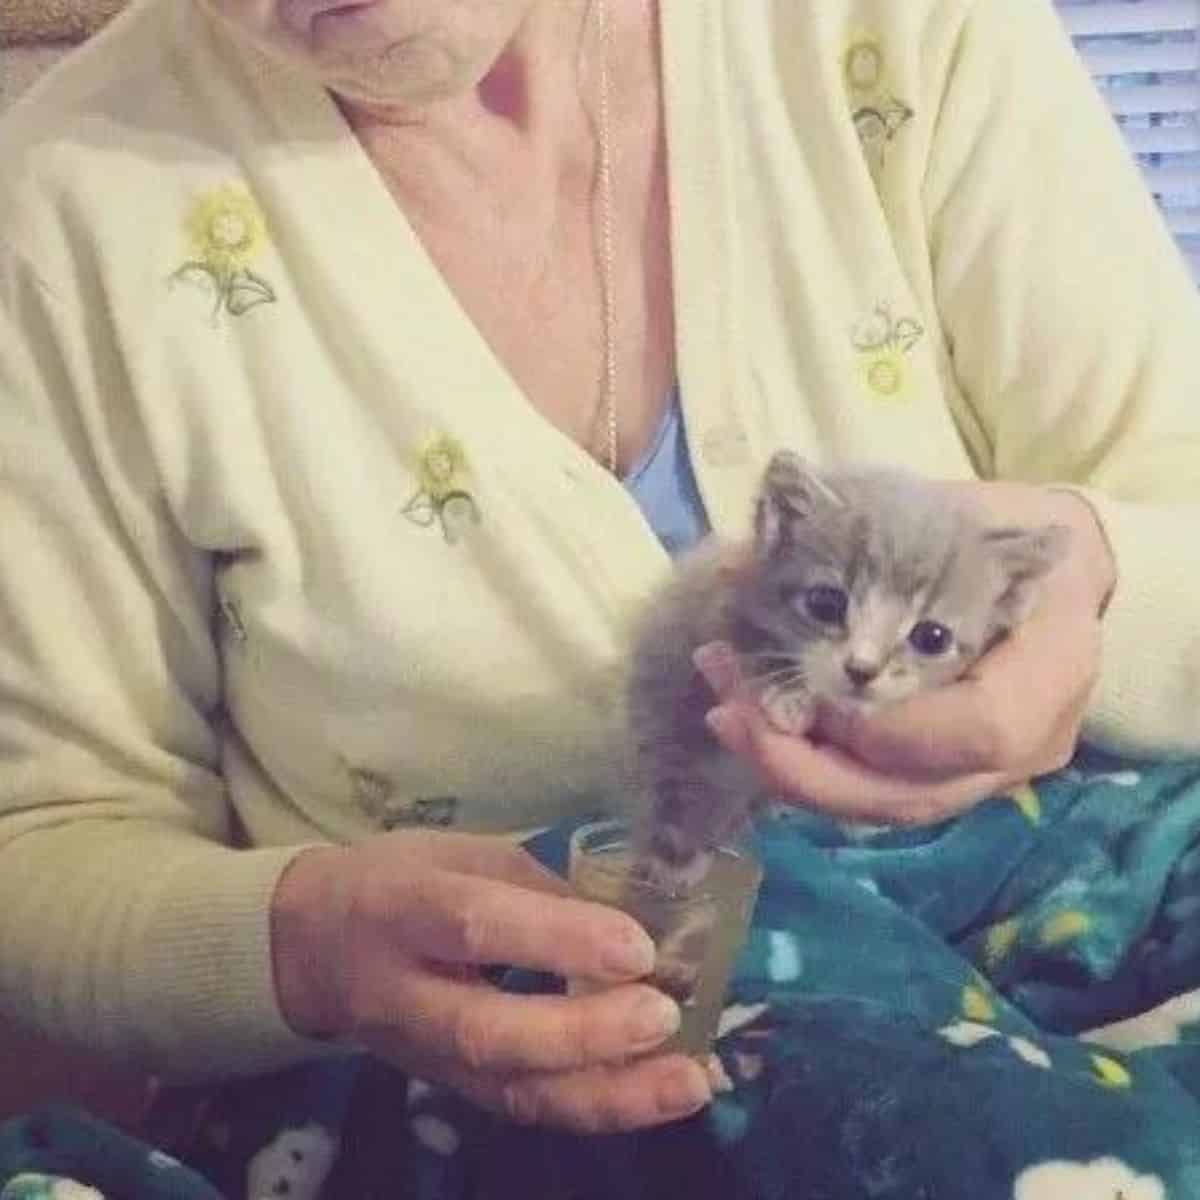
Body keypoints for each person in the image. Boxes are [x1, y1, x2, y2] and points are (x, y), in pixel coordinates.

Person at [0, 0, 1198, 1176]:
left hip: (1046, 918)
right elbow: (46, 841)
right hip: (472, 1074)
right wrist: (299, 945)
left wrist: (1099, 583)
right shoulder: (78, 200)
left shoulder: (905, 30)